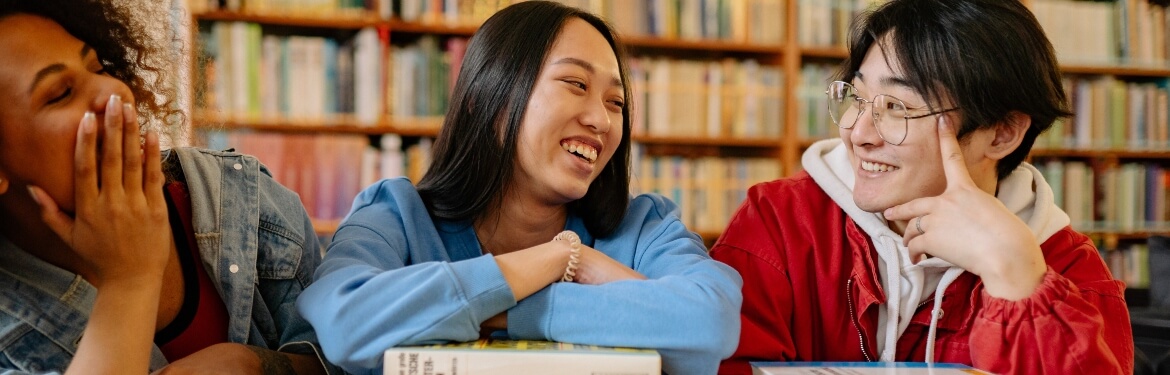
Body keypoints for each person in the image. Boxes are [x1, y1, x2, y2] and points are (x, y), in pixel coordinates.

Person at [295, 2, 743, 374]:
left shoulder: (644, 225)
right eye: (576, 84)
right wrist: (555, 259)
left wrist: (512, 307)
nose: (602, 120)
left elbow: (709, 321)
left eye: (616, 102)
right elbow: (344, 320)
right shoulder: (395, 214)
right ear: (488, 100)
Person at [710, 0, 1132, 374]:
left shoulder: (1068, 267)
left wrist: (1017, 278)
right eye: (857, 98)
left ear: (1002, 133)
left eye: (896, 107)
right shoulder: (780, 220)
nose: (858, 132)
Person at [0, 1, 336, 374]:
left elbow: (344, 362)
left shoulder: (247, 201)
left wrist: (258, 365)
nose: (115, 92)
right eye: (60, 93)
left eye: (98, 67)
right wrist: (129, 281)